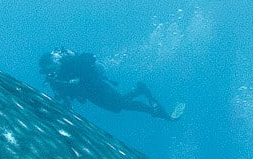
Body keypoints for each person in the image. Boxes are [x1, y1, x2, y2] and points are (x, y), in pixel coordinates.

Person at [40, 49, 184, 121]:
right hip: (90, 94)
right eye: (47, 71)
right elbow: (65, 97)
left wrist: (78, 80)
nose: (51, 72)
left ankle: (156, 111)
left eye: (51, 68)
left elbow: (89, 68)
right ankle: (139, 90)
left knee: (121, 104)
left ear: (55, 62)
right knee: (117, 107)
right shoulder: (55, 78)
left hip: (98, 87)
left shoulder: (72, 64)